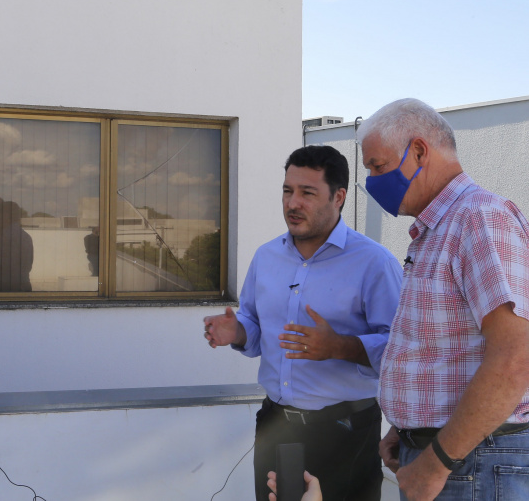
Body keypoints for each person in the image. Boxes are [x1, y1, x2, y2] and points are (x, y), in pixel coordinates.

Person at [203, 145, 402, 500]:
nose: (293, 203)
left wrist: (339, 346)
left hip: (345, 431)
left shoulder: (375, 264)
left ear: (338, 197)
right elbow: (253, 321)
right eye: (287, 191)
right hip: (276, 425)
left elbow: (403, 351)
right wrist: (238, 331)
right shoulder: (266, 257)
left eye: (307, 193)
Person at [358, 98, 529, 501]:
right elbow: (447, 351)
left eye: (377, 166)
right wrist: (406, 427)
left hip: (471, 463)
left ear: (418, 151)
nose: (371, 182)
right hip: (454, 457)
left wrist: (435, 463)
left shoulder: (479, 218)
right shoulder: (440, 229)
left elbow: (515, 358)